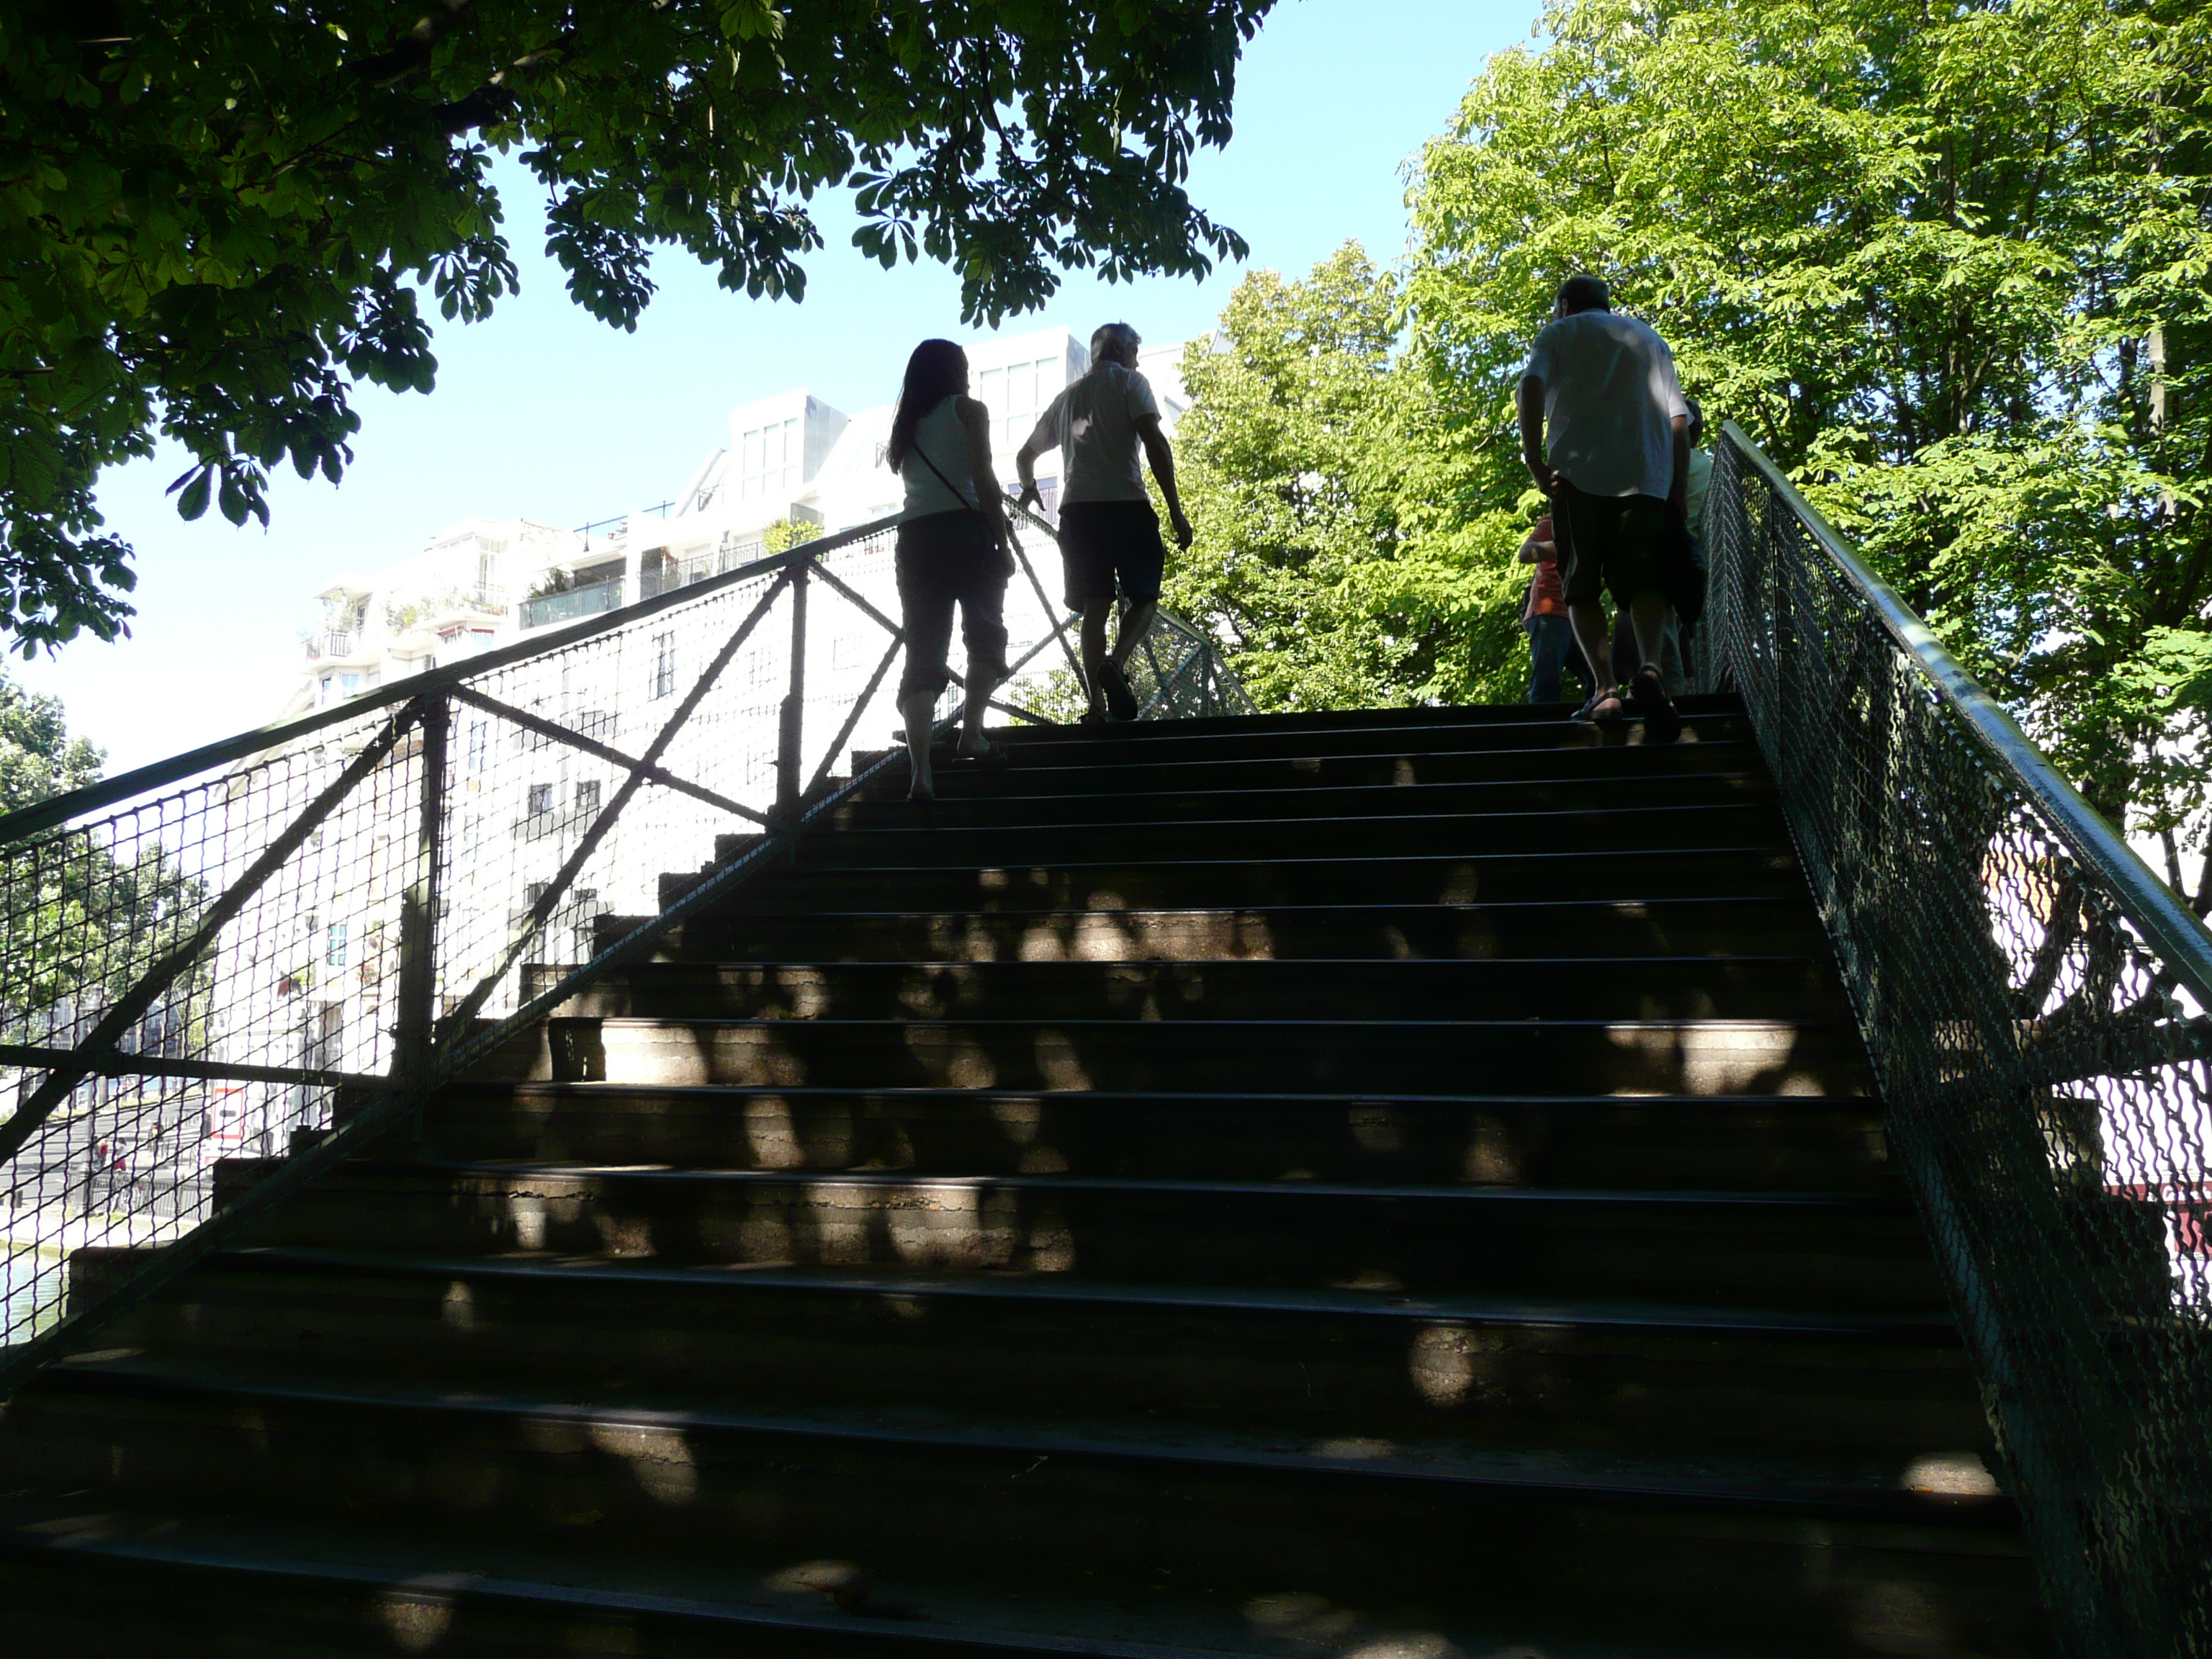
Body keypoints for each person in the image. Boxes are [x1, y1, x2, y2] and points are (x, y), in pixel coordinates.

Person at [1516, 274, 1691, 742]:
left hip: (1578, 478)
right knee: (1648, 582)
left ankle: (1606, 689)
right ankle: (1652, 668)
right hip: (1647, 478)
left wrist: (1535, 459)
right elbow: (1678, 419)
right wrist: (1676, 487)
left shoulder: (1558, 333)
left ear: (1565, 305)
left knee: (1581, 587)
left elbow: (1531, 387)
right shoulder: (1649, 337)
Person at [1015, 323, 1194, 724]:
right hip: (1126, 506)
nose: (1137, 357)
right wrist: (1175, 510)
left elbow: (1024, 456)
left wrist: (1028, 489)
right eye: (1136, 349)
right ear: (1125, 350)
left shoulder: (1066, 398)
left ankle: (1096, 706)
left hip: (1078, 514)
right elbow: (1154, 441)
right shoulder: (1131, 382)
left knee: (1094, 609)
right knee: (1145, 597)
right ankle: (1116, 662)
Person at [886, 338, 1013, 801]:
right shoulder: (970, 411)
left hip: (915, 540)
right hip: (967, 534)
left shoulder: (906, 425)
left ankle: (922, 773)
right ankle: (972, 734)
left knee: (923, 653)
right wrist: (1001, 540)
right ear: (956, 371)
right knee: (985, 634)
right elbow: (984, 479)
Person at [1517, 513, 1595, 703]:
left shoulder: (1595, 522)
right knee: (1547, 682)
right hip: (1549, 612)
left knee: (1599, 679)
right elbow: (1525, 553)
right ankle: (1541, 728)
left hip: (1578, 613)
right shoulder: (1552, 521)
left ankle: (1595, 722)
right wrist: (1562, 544)